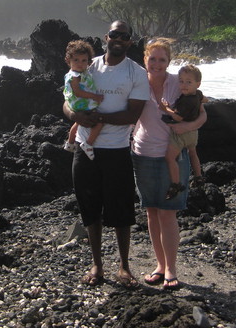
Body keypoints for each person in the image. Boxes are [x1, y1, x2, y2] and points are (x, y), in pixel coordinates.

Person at [63, 20, 149, 288]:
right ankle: (97, 265)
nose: (118, 39)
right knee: (89, 208)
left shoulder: (136, 73)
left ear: (130, 42)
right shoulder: (90, 65)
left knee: (122, 209)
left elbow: (134, 114)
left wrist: (99, 118)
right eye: (114, 34)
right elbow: (66, 100)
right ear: (106, 37)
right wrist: (75, 115)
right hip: (84, 149)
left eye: (124, 36)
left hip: (116, 150)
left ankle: (124, 266)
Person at [131, 38, 207, 290]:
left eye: (162, 59)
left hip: (172, 155)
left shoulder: (179, 82)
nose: (156, 64)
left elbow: (202, 108)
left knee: (168, 213)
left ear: (168, 62)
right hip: (142, 153)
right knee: (152, 211)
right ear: (145, 60)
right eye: (152, 58)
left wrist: (189, 126)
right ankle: (160, 266)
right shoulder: (137, 82)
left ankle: (172, 269)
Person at [159, 64, 206, 200]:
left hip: (182, 134)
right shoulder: (198, 94)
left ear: (198, 84)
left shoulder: (186, 100)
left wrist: (165, 108)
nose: (184, 85)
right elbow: (205, 100)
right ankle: (198, 176)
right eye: (181, 81)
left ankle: (175, 183)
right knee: (193, 153)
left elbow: (178, 117)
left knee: (170, 158)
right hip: (193, 133)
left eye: (188, 82)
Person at [63, 40, 104, 160]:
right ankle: (88, 144)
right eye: (76, 60)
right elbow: (77, 92)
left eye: (84, 60)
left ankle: (70, 143)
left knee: (77, 123)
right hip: (81, 103)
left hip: (78, 104)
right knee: (99, 122)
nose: (80, 63)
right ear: (68, 60)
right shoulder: (75, 76)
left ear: (88, 62)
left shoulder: (82, 72)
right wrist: (94, 96)